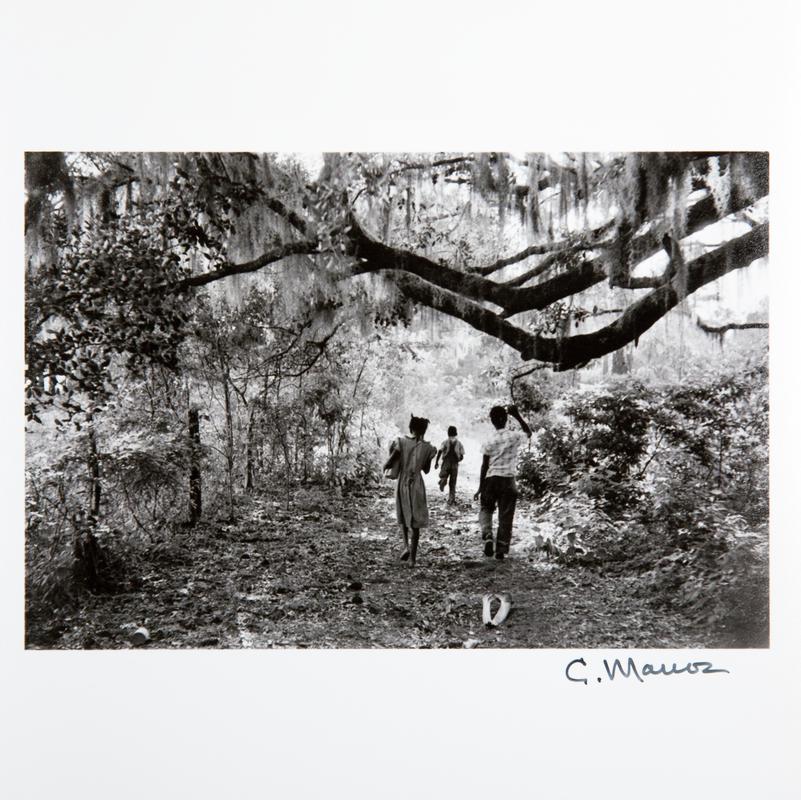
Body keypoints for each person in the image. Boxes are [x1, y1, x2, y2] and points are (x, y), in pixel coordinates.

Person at [473, 404, 532, 560]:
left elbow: (484, 465)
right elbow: (528, 433)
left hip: (491, 479)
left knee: (486, 508)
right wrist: (517, 415)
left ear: (492, 421)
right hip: (508, 480)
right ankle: (501, 550)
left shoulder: (489, 440)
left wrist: (480, 487)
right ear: (506, 419)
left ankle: (487, 535)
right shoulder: (513, 436)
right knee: (505, 516)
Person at [383, 415, 437, 566]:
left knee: (403, 514)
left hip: (403, 482)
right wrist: (428, 458)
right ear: (424, 430)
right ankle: (413, 559)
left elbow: (391, 460)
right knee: (416, 520)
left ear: (411, 428)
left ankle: (405, 546)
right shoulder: (428, 448)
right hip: (417, 484)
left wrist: (385, 466)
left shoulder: (401, 442)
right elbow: (426, 470)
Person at [435, 425, 465, 505]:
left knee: (443, 474)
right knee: (453, 482)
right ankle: (451, 499)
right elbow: (462, 455)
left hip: (446, 461)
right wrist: (459, 459)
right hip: (455, 463)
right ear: (456, 433)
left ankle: (443, 481)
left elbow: (440, 451)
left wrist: (436, 462)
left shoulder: (445, 442)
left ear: (448, 433)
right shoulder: (459, 443)